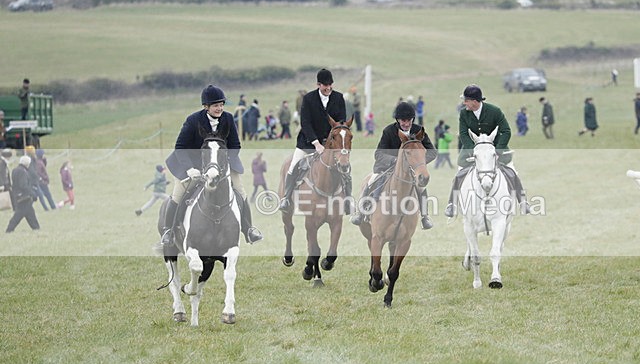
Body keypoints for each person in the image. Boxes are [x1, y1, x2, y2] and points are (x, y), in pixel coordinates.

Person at [160, 84, 263, 246]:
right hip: (193, 166)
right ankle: (168, 231)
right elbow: (180, 147)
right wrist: (189, 169)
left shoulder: (228, 118)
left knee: (241, 193)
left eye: (221, 105)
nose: (219, 108)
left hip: (222, 165)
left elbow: (235, 145)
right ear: (206, 106)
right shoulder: (193, 120)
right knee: (178, 195)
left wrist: (223, 164)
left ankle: (249, 229)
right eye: (216, 105)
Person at [443, 85, 531, 218]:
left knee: (512, 172)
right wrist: (471, 150)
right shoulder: (464, 113)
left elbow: (506, 131)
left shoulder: (494, 111)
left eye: (466, 100)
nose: (464, 103)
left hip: (495, 148)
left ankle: (522, 201)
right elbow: (463, 133)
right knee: (459, 174)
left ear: (474, 101)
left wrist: (499, 150)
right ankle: (452, 204)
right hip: (472, 150)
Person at [350, 102, 436, 229]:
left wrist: (418, 164)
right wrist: (395, 161)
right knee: (371, 181)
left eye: (409, 120)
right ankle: (362, 212)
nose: (406, 124)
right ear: (398, 120)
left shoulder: (419, 131)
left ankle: (425, 216)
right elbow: (378, 154)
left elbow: (432, 152)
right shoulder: (389, 131)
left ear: (413, 119)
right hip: (386, 168)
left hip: (410, 171)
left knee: (421, 186)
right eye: (403, 121)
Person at [278, 69, 351, 214]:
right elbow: (305, 123)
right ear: (318, 84)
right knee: (293, 166)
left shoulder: (339, 97)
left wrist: (332, 144)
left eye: (330, 85)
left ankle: (348, 201)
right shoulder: (309, 99)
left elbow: (341, 122)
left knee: (346, 168)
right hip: (307, 142)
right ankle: (286, 198)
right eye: (325, 85)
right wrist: (316, 143)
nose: (328, 88)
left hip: (331, 144)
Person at [5, 154, 40, 232]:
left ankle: (36, 227)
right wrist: (32, 193)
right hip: (24, 197)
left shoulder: (15, 170)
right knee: (18, 215)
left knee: (30, 213)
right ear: (27, 163)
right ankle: (9, 229)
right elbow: (23, 185)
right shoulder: (23, 171)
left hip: (18, 195)